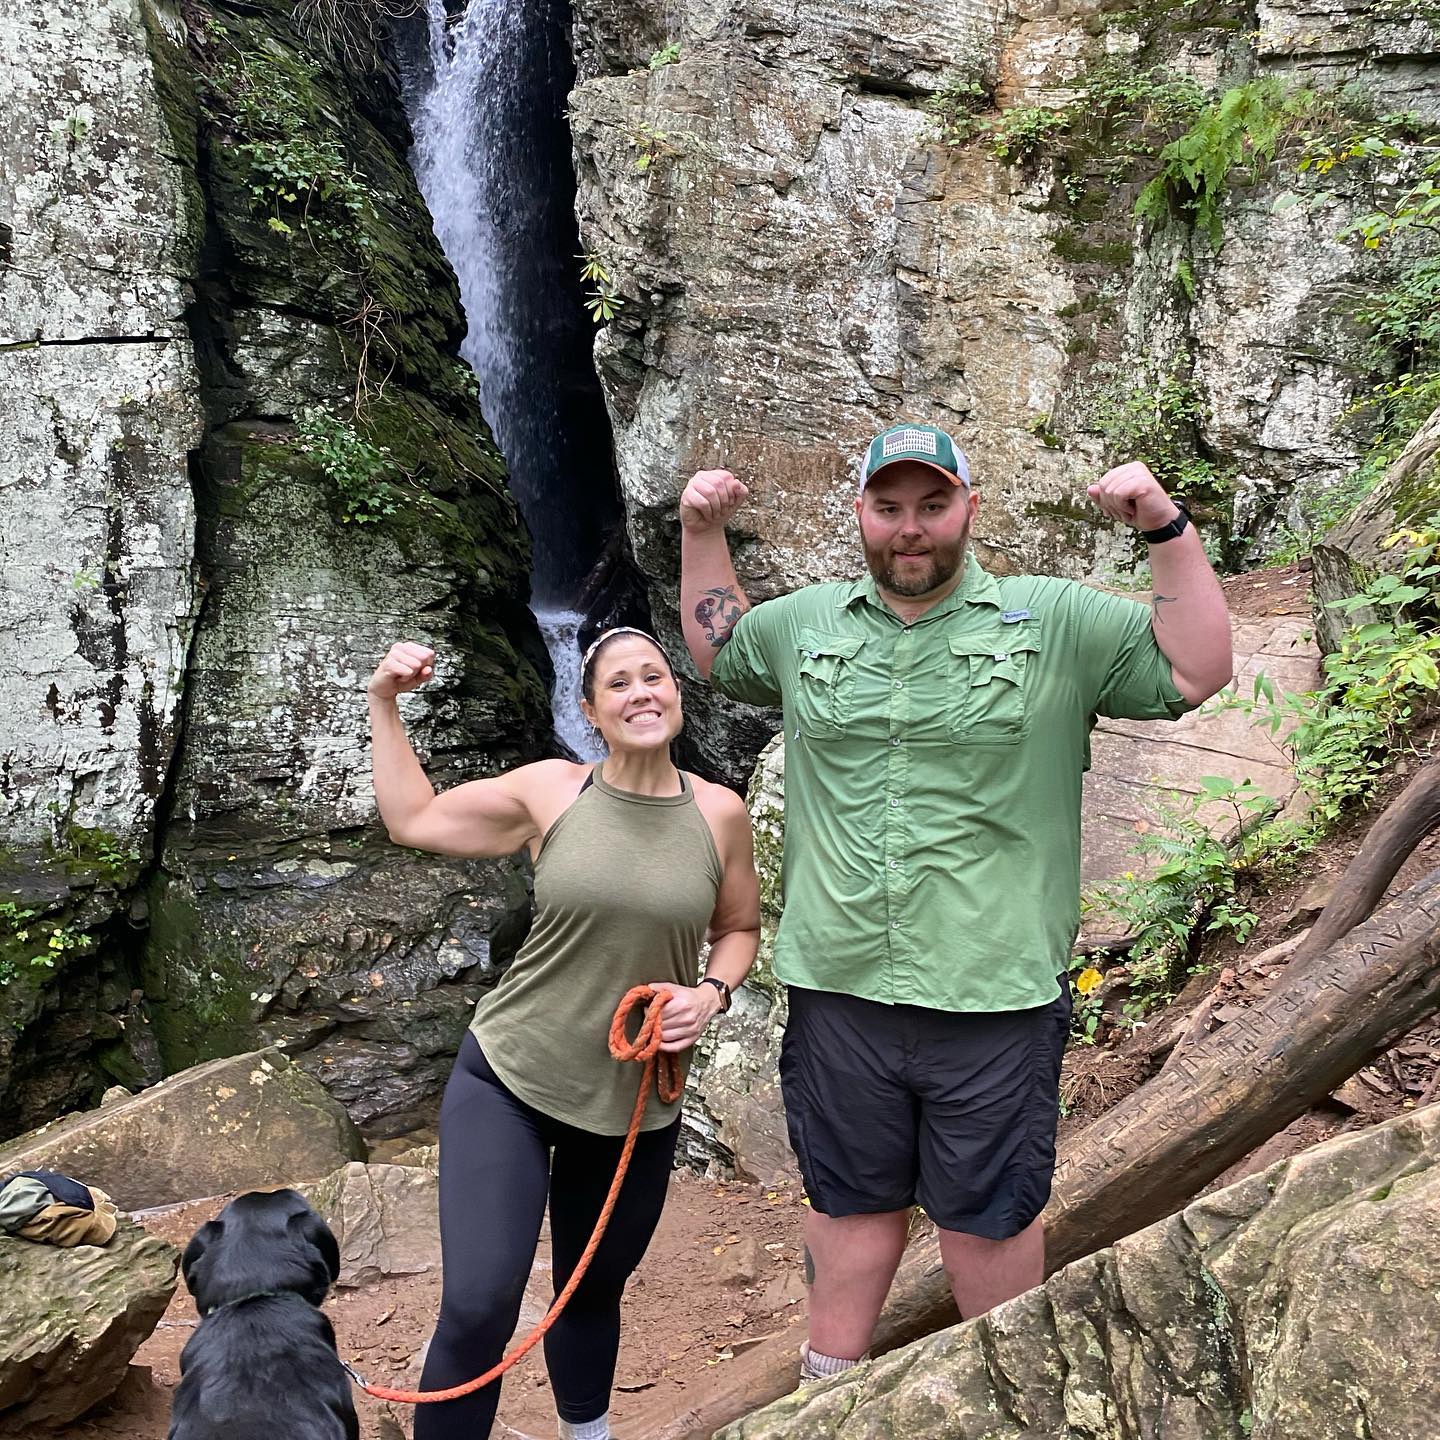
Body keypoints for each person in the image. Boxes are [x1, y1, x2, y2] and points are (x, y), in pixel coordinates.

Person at [677, 422, 1233, 1380]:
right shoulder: (805, 623)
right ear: (860, 512)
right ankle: (827, 1395)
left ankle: (1008, 1397)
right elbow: (718, 652)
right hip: (840, 982)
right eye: (890, 506)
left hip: (993, 990)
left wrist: (1162, 524)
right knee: (847, 1200)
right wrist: (700, 530)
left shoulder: (1053, 619)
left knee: (988, 1214)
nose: (911, 527)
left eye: (932, 505)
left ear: (968, 508)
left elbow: (1198, 670)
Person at [367, 627, 761, 1440]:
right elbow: (413, 819)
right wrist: (384, 702)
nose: (641, 693)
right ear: (589, 711)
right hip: (511, 1078)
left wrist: (711, 993)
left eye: (654, 676)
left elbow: (739, 928)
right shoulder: (551, 791)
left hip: (630, 1105)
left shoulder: (719, 813)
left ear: (676, 692)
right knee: (479, 1304)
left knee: (590, 1292)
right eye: (618, 683)